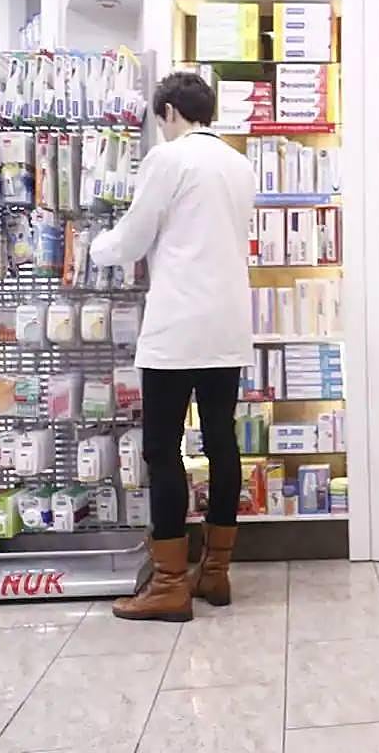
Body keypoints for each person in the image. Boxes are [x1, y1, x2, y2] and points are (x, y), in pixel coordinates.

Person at [91, 72, 255, 622]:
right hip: (227, 326)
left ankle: (168, 585)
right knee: (221, 443)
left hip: (177, 327)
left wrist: (95, 247)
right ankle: (216, 572)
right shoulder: (238, 163)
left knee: (162, 449)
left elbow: (133, 238)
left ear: (168, 113)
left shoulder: (169, 158)